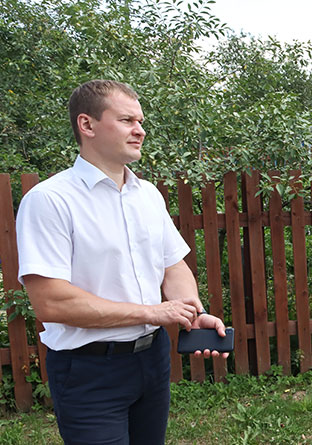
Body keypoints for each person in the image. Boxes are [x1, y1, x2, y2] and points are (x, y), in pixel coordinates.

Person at [16, 79, 229, 445]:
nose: (140, 130)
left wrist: (190, 311)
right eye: (127, 120)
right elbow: (50, 302)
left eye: (140, 121)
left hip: (152, 360)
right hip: (89, 369)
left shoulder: (147, 195)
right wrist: (152, 312)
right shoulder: (50, 200)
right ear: (87, 125)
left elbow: (173, 266)